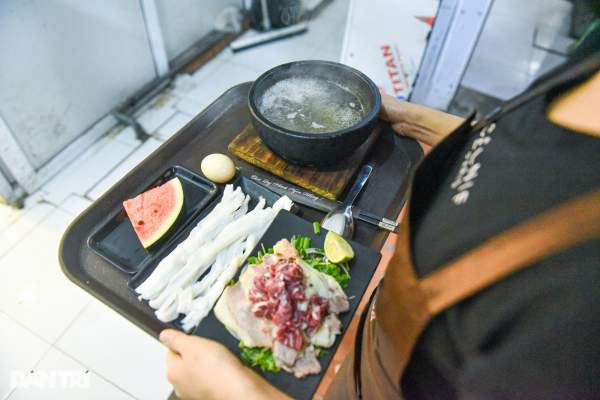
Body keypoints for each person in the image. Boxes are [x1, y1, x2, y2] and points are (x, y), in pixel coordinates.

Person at [159, 34, 600, 400]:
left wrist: (240, 393)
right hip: (373, 352)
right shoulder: (588, 66)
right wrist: (425, 123)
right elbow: (525, 155)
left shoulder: (578, 310)